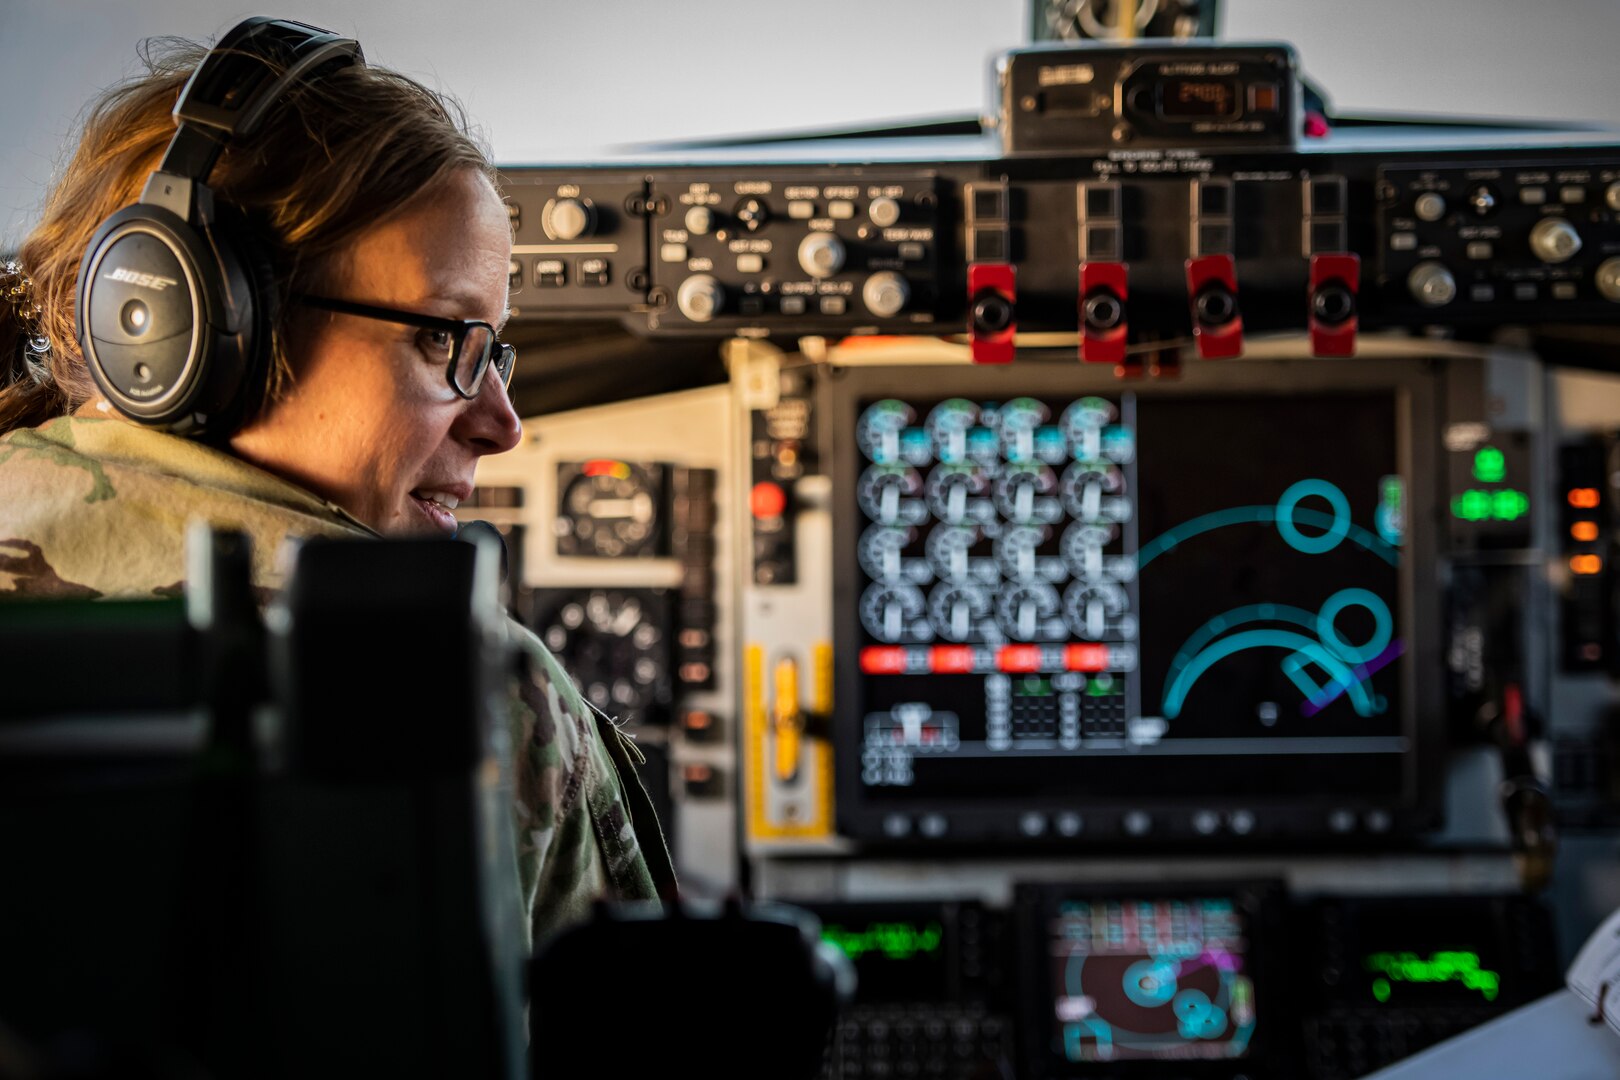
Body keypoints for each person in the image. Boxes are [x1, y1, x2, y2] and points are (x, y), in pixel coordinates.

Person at [0, 19, 675, 951]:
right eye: (444, 337)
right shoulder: (480, 693)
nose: (502, 424)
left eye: (496, 353)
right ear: (206, 323)